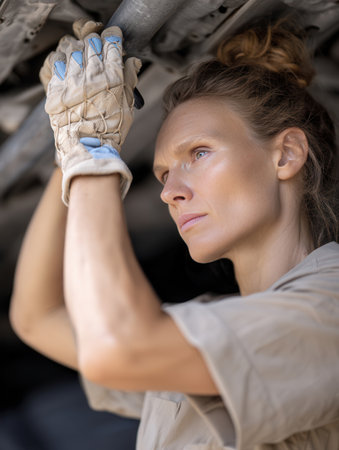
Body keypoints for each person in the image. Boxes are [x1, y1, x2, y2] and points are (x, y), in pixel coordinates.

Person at [9, 17, 339, 450]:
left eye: (199, 153)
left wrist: (91, 152)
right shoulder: (203, 327)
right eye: (164, 173)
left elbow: (117, 347)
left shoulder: (327, 303)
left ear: (287, 155)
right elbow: (38, 318)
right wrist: (70, 139)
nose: (169, 192)